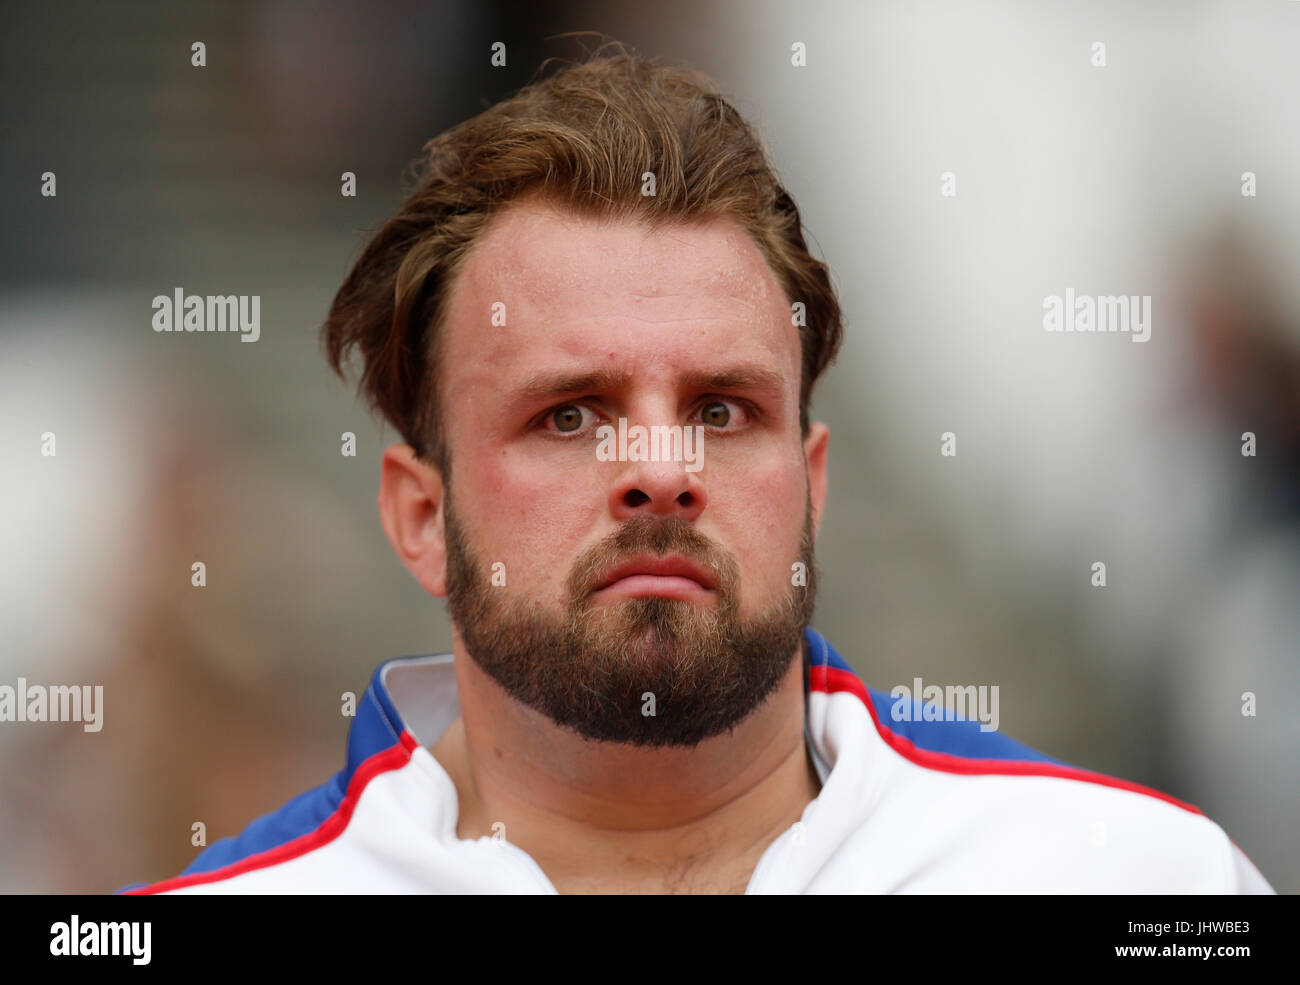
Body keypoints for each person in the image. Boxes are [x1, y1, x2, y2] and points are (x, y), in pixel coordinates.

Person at [119, 47, 1272, 894]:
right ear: (422, 515)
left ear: (812, 486)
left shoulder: (1138, 883)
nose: (662, 470)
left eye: (724, 409)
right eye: (570, 416)